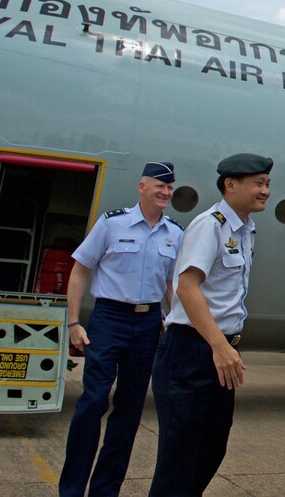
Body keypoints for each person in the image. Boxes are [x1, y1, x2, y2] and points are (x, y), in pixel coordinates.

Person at [148, 153, 273, 496]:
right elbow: (187, 287)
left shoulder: (245, 229)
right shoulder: (210, 224)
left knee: (210, 448)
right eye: (258, 184)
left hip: (219, 351)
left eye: (267, 185)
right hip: (193, 351)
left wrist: (223, 346)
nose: (265, 191)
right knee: (179, 458)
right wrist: (217, 344)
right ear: (231, 185)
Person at [58, 162, 183, 497]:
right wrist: (73, 322)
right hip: (109, 318)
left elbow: (171, 284)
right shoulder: (112, 224)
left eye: (170, 188)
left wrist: (175, 321)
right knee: (94, 401)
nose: (166, 193)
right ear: (141, 187)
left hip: (148, 324)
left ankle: (105, 490)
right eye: (160, 186)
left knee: (129, 410)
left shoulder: (175, 232)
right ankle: (71, 489)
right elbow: (80, 270)